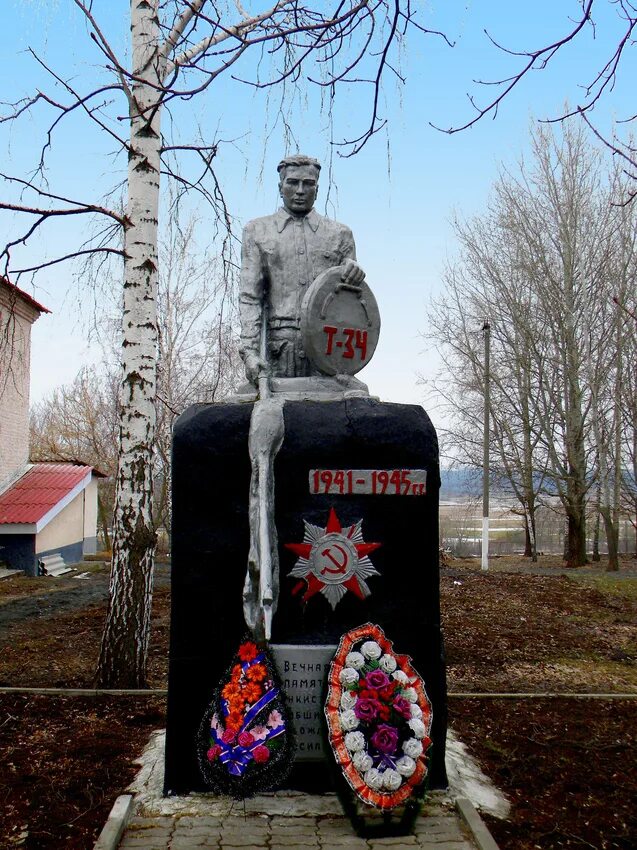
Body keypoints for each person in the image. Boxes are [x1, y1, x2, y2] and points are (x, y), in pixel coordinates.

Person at [239, 154, 366, 383]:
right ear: (280, 187)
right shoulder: (257, 232)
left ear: (317, 189)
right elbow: (250, 297)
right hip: (280, 352)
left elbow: (351, 306)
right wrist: (250, 352)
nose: (300, 190)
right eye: (292, 183)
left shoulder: (340, 235)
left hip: (328, 351)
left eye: (308, 184)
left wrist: (352, 273)